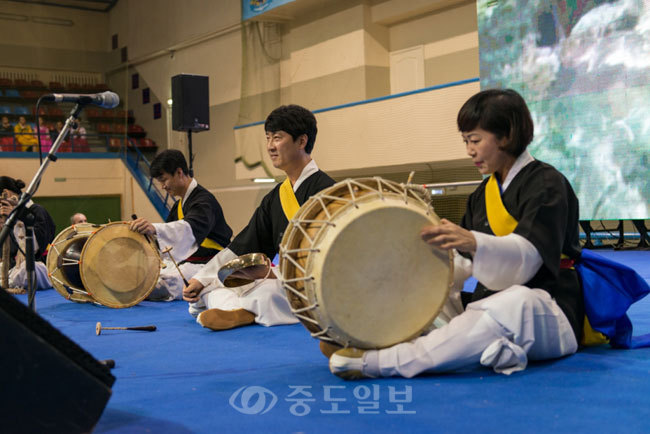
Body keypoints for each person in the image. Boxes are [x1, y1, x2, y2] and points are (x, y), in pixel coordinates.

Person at [329, 89, 585, 379]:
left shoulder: (547, 183)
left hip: (548, 306)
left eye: (475, 140)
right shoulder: (481, 195)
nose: (469, 151)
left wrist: (474, 241)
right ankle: (487, 346)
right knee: (430, 299)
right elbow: (460, 264)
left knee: (513, 304)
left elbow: (526, 260)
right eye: (465, 141)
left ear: (506, 136)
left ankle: (383, 363)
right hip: (489, 303)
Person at [182, 104, 336, 331]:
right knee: (212, 289)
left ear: (301, 141)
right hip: (282, 281)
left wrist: (275, 274)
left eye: (277, 138)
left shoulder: (329, 192)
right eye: (268, 138)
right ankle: (244, 312)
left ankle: (245, 311)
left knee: (268, 292)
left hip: (316, 283)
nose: (270, 147)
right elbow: (242, 245)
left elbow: (333, 256)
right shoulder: (275, 198)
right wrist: (202, 279)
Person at [129, 149, 233, 301]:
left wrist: (155, 228)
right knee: (143, 274)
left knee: (166, 283)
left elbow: (189, 229)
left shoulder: (204, 201)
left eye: (164, 180)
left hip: (209, 263)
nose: (162, 186)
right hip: (186, 262)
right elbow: (170, 242)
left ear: (179, 172)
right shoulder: (179, 206)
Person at [0, 176, 56, 290]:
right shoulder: (7, 215)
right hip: (15, 269)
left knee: (29, 268)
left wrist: (16, 218)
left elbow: (34, 248)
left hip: (39, 266)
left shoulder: (37, 210)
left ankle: (7, 282)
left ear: (6, 193)